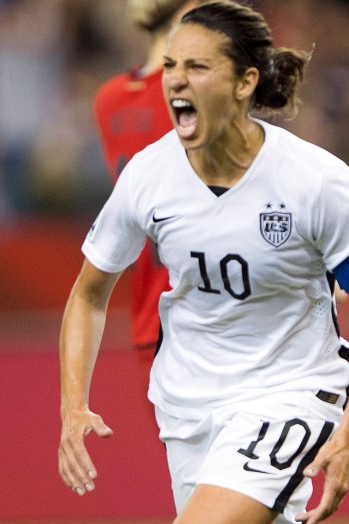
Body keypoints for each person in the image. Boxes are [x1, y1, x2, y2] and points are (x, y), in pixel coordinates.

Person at [58, 2, 349, 524]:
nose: (175, 79)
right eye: (171, 65)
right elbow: (88, 295)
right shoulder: (148, 176)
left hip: (289, 391)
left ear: (246, 82)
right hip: (188, 401)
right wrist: (72, 405)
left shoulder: (316, 182)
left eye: (197, 67)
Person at [93, 0, 201, 377]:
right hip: (209, 310)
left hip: (149, 320)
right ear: (193, 11)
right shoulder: (196, 93)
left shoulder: (110, 99)